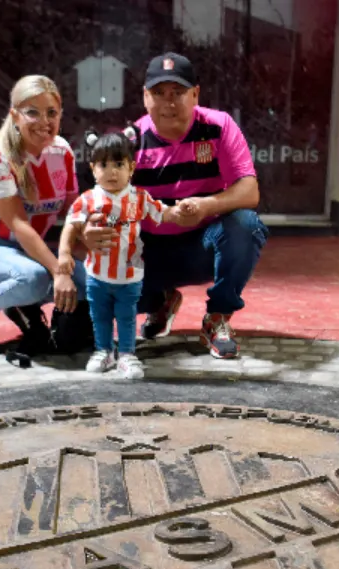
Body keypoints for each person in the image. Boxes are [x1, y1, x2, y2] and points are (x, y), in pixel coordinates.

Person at [82, 53, 269, 360]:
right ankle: (158, 300)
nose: (168, 103)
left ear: (195, 93)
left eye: (178, 93)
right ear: (145, 97)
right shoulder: (130, 143)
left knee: (246, 225)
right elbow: (104, 205)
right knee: (98, 291)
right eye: (158, 93)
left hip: (202, 244)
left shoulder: (219, 126)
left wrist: (207, 205)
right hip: (149, 250)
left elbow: (249, 191)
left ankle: (217, 318)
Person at [0, 75, 91, 358]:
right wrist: (59, 270)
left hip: (26, 250)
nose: (44, 121)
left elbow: (73, 210)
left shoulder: (61, 150)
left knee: (94, 281)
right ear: (14, 115)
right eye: (32, 112)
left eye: (52, 112)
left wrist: (97, 244)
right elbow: (17, 223)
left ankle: (38, 313)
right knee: (34, 278)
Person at [59, 128, 185, 380]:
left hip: (130, 275)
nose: (111, 171)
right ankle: (103, 351)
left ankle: (127, 355)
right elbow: (71, 226)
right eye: (104, 164)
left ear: (131, 167)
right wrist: (64, 252)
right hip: (96, 274)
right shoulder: (87, 199)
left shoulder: (139, 198)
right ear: (93, 168)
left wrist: (182, 210)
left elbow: (163, 212)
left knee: (126, 317)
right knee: (100, 316)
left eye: (119, 164)